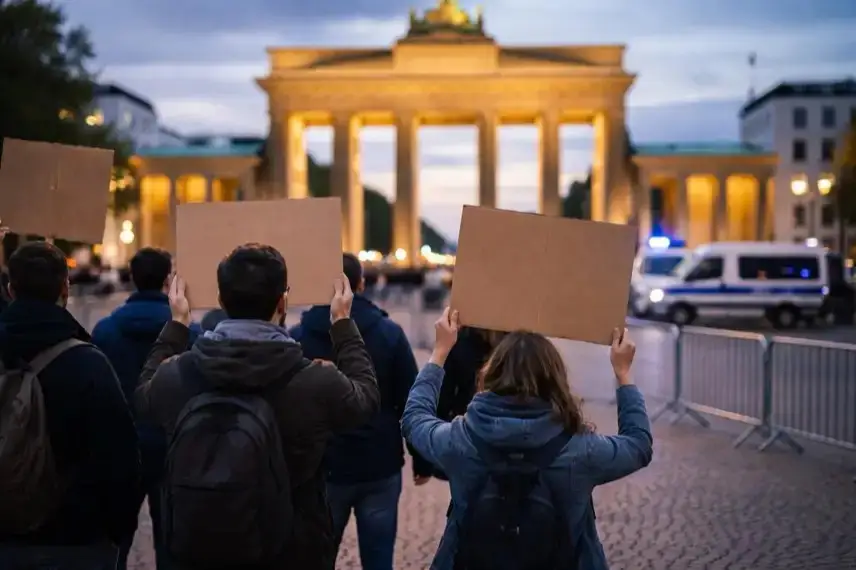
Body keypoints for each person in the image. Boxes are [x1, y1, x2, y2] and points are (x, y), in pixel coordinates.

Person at [135, 243, 380, 570]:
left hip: (202, 549)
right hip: (292, 549)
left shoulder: (178, 375)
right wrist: (342, 325)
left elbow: (142, 398)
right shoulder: (315, 382)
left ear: (221, 301)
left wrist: (177, 327)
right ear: (282, 301)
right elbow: (366, 399)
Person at [402, 309, 653, 570]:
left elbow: (414, 419)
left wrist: (440, 352)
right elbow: (638, 445)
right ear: (556, 379)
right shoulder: (581, 449)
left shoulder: (459, 439)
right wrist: (623, 373)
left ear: (490, 374)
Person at [0, 241, 141, 570]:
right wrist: (115, 533)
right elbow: (120, 462)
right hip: (75, 540)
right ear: (66, 288)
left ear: (10, 289)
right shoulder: (87, 364)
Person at [290, 253, 433, 570]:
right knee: (379, 558)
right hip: (378, 462)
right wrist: (421, 458)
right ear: (361, 285)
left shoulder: (298, 337)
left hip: (323, 466)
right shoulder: (389, 333)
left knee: (316, 557)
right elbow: (409, 399)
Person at [90, 247, 200, 570]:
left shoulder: (105, 331)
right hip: (173, 446)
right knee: (171, 542)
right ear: (169, 279)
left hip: (124, 445)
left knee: (117, 542)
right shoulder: (189, 333)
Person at [432, 326, 505, 480]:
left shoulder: (461, 341)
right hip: (508, 442)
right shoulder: (521, 344)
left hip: (469, 438)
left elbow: (442, 398)